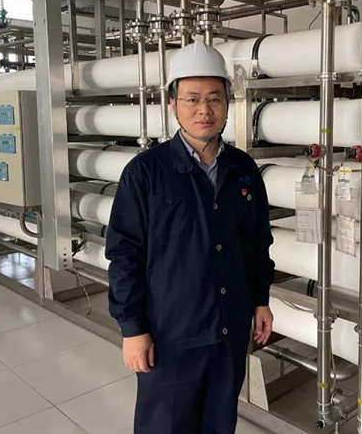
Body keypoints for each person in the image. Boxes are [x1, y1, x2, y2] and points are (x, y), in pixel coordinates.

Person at [106, 41, 275, 434]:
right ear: (173, 104)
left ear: (228, 103)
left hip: (229, 328)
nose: (205, 110)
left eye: (215, 98)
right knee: (166, 425)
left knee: (219, 422)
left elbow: (257, 243)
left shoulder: (244, 170)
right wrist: (133, 328)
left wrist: (260, 300)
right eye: (193, 99)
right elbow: (125, 254)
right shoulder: (146, 173)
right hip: (170, 334)